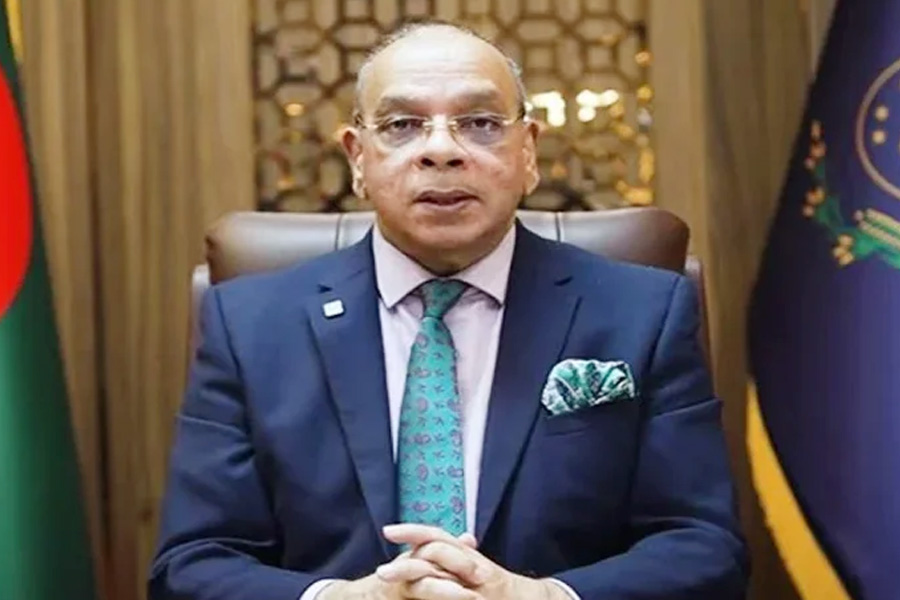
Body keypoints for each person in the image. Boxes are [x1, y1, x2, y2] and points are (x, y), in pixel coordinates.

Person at [149, 21, 748, 600]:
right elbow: (192, 564)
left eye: (480, 123)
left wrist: (542, 598)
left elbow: (705, 550)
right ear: (358, 159)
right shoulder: (249, 326)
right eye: (403, 125)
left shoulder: (643, 313)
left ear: (528, 152)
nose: (441, 150)